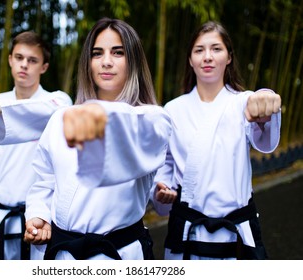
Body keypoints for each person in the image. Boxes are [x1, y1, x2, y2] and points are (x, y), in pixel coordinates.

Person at [14, 17, 171, 260]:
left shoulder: (152, 120)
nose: (106, 62)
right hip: (60, 251)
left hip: (116, 254)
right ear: (88, 62)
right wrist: (38, 216)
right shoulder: (61, 118)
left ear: (134, 61)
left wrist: (94, 117)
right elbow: (44, 181)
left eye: (117, 53)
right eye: (97, 54)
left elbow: (126, 135)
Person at [151, 21, 282, 260]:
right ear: (190, 60)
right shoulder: (172, 110)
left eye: (216, 49)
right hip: (188, 234)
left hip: (237, 233)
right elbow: (165, 166)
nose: (207, 57)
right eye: (199, 50)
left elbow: (263, 130)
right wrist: (161, 188)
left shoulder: (245, 102)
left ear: (229, 57)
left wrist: (265, 102)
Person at [0, 31, 72, 260]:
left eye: (32, 60)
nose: (24, 65)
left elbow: (55, 111)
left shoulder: (58, 102)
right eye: (19, 57)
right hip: (1, 211)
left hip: (39, 218)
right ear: (10, 60)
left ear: (44, 67)